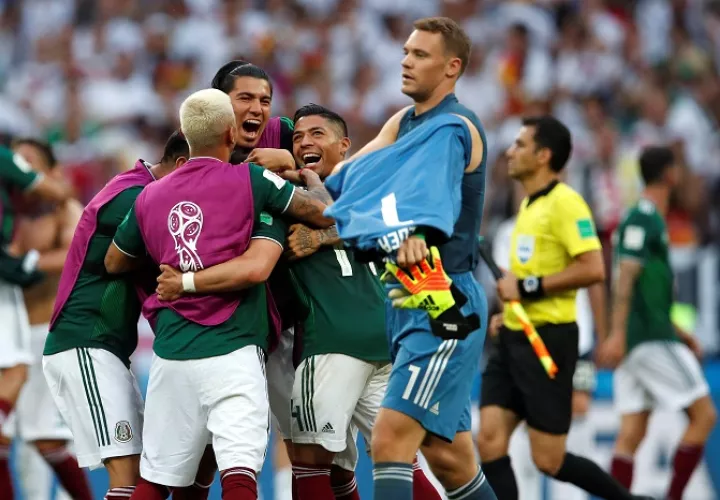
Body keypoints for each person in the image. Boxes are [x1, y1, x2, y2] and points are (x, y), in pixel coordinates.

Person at [154, 103, 444, 500]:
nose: (305, 141)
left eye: (317, 135)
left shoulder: (297, 201)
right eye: (298, 137)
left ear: (344, 145)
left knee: (308, 460)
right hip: (384, 342)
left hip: (330, 341)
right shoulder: (369, 193)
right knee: (394, 458)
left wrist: (318, 231)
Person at [103, 88, 333, 500]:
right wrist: (305, 172)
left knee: (155, 481)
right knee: (239, 474)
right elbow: (322, 211)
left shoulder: (150, 196)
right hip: (233, 348)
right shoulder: (251, 179)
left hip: (171, 353)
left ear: (187, 137)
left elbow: (115, 261)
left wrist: (170, 259)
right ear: (231, 133)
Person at [329, 16, 495, 500]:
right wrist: (298, 170)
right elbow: (350, 173)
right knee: (450, 458)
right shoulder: (404, 123)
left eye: (420, 55)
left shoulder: (452, 128)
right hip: (409, 300)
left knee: (390, 438)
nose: (405, 60)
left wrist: (417, 230)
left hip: (441, 304)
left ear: (452, 67)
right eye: (405, 51)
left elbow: (430, 195)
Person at [476, 116, 652, 500]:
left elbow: (594, 269)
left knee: (549, 460)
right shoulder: (527, 207)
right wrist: (508, 311)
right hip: (514, 337)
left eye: (520, 145)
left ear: (543, 156)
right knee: (489, 440)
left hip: (548, 344)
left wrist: (525, 287)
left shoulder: (566, 203)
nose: (510, 151)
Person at [41, 131, 190, 500]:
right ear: (182, 165)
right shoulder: (134, 198)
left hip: (102, 347)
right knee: (126, 479)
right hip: (85, 344)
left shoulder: (135, 187)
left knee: (141, 481)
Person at [599, 146, 717, 500]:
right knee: (705, 416)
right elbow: (625, 278)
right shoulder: (642, 217)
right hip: (648, 339)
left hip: (650, 335)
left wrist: (683, 334)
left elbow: (649, 294)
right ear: (670, 174)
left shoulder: (650, 220)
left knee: (631, 433)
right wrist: (617, 333)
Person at [490, 183, 607, 500]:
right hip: (526, 337)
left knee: (578, 409)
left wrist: (604, 331)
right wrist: (510, 319)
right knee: (529, 425)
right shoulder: (507, 231)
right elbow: (505, 285)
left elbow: (593, 277)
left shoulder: (566, 213)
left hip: (573, 334)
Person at [1, 139, 87, 500]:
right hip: (14, 335)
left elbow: (75, 254)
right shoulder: (13, 213)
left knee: (48, 442)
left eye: (29, 162)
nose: (21, 167)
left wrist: (26, 263)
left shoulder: (64, 208)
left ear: (50, 171)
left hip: (51, 335)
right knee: (13, 444)